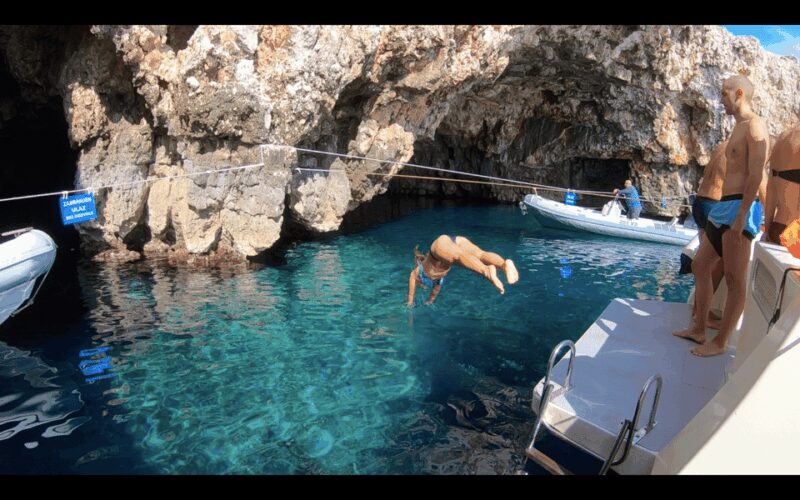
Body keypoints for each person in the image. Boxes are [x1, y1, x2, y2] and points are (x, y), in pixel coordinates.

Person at [673, 74, 769, 357]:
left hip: (741, 207)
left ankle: (720, 342)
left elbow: (756, 174)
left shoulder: (755, 126)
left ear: (739, 93)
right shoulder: (738, 128)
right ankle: (699, 328)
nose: (720, 99)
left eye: (723, 93)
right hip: (722, 206)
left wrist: (742, 214)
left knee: (734, 278)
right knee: (701, 266)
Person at [407, 235, 519, 306]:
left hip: (439, 247)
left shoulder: (417, 274)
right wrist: (429, 302)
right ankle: (504, 265)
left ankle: (487, 271)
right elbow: (433, 295)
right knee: (480, 254)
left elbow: (411, 296)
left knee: (459, 256)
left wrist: (410, 303)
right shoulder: (437, 280)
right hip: (455, 241)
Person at [764, 126, 800, 244]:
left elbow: (771, 189)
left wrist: (768, 228)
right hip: (796, 233)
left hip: (777, 227)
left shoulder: (782, 138)